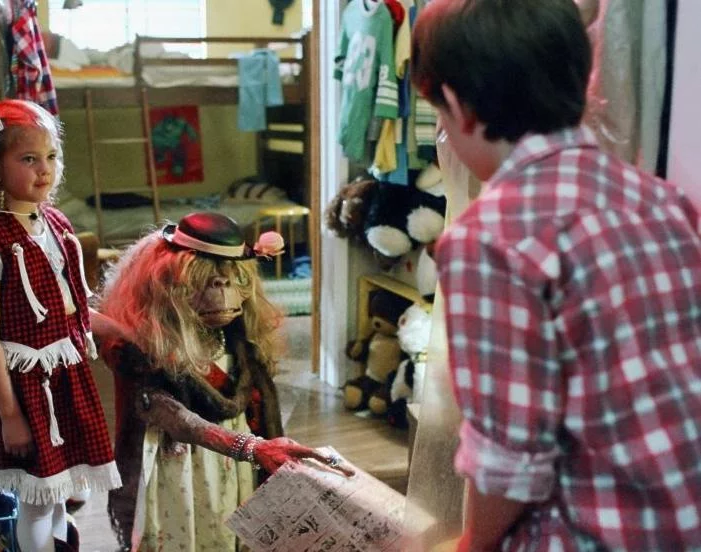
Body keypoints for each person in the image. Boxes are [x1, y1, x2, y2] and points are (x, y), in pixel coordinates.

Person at [411, 1, 701, 551]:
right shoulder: (661, 200)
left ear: (457, 106)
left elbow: (509, 462)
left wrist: (469, 544)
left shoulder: (490, 237)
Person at [96, 212, 352, 551]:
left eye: (230, 279)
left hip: (234, 468)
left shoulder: (239, 341)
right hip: (180, 468)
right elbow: (175, 418)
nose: (221, 289)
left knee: (231, 528)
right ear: (168, 285)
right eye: (205, 280)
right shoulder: (145, 351)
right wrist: (252, 448)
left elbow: (257, 403)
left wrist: (261, 449)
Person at [0, 99, 121, 552]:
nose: (44, 169)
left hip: (65, 376)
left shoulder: (57, 225)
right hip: (24, 385)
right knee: (36, 501)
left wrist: (128, 331)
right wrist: (10, 415)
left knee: (59, 495)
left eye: (50, 156)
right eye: (28, 158)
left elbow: (74, 305)